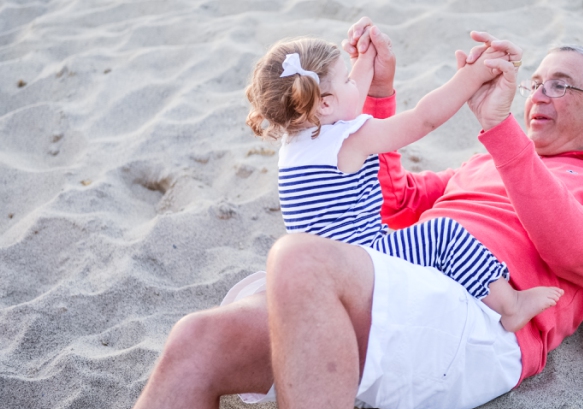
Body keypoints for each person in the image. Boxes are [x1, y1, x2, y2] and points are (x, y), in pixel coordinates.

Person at [131, 18, 583, 409]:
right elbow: (390, 202)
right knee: (195, 339)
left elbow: (580, 250)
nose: (537, 94)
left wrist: (502, 133)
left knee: (296, 257)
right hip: (390, 293)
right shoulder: (479, 167)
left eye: (560, 84)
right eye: (536, 81)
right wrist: (379, 92)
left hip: (482, 326)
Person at [240, 33, 562, 333]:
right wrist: (472, 76)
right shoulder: (349, 138)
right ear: (324, 104)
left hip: (328, 273)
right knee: (442, 234)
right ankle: (510, 305)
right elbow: (424, 118)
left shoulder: (297, 146)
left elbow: (344, 100)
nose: (357, 81)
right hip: (364, 267)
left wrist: (366, 57)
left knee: (406, 236)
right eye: (349, 79)